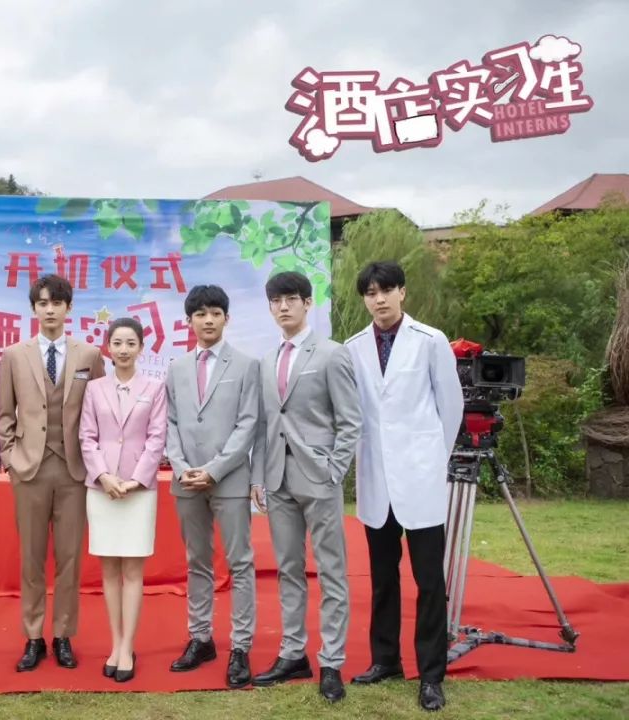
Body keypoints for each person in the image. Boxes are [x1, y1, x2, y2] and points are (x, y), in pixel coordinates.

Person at [345, 261, 463, 712]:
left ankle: (431, 674)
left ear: (402, 293)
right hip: (377, 477)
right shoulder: (353, 347)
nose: (379, 299)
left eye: (386, 290)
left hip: (420, 475)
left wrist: (432, 459)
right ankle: (385, 660)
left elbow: (450, 407)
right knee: (382, 577)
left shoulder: (430, 341)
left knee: (429, 579)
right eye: (370, 293)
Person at [250, 271, 362, 703]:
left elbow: (350, 421)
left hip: (319, 478)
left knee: (331, 570)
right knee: (288, 569)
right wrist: (259, 476)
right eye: (276, 301)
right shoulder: (266, 361)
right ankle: (293, 653)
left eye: (291, 299)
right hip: (277, 479)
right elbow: (265, 424)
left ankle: (331, 660)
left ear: (307, 303)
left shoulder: (332, 354)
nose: (283, 307)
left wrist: (334, 471)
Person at [0, 273, 105, 671]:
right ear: (33, 309)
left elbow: (100, 409)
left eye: (56, 303)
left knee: (69, 558)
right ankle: (32, 637)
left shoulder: (89, 355)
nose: (49, 310)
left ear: (68, 308)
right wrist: (10, 458)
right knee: (31, 558)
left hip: (74, 470)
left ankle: (62, 635)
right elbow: (4, 415)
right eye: (42, 303)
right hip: (29, 470)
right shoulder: (14, 355)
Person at [165, 284, 260, 689]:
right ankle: (200, 638)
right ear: (189, 321)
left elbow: (248, 423)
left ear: (226, 318)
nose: (208, 320)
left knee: (240, 563)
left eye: (215, 313)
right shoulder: (176, 368)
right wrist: (182, 467)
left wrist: (215, 470)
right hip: (187, 482)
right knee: (197, 561)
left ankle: (240, 646)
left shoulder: (247, 365)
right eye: (200, 314)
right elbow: (170, 422)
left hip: (230, 480)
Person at [79, 317, 167, 683]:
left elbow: (157, 438)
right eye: (117, 343)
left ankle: (128, 646)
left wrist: (133, 481)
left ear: (141, 348)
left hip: (138, 490)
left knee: (132, 571)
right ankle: (115, 643)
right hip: (101, 489)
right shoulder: (94, 388)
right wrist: (103, 476)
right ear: (108, 348)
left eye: (131, 343)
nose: (124, 350)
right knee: (109, 571)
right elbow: (87, 437)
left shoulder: (155, 387)